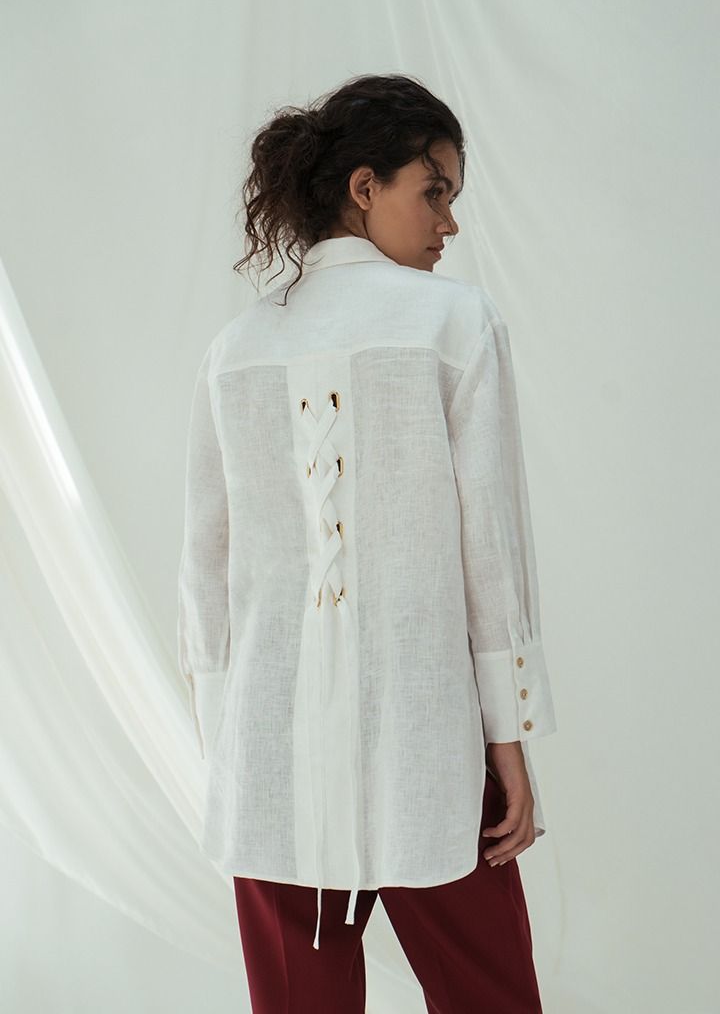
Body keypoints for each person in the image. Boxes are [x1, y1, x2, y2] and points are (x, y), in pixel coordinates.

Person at [177, 73, 558, 1013]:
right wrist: (508, 740)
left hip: (268, 755)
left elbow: (204, 568)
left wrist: (229, 744)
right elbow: (490, 552)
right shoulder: (455, 323)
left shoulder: (235, 349)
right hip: (428, 743)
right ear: (364, 187)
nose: (449, 223)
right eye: (435, 191)